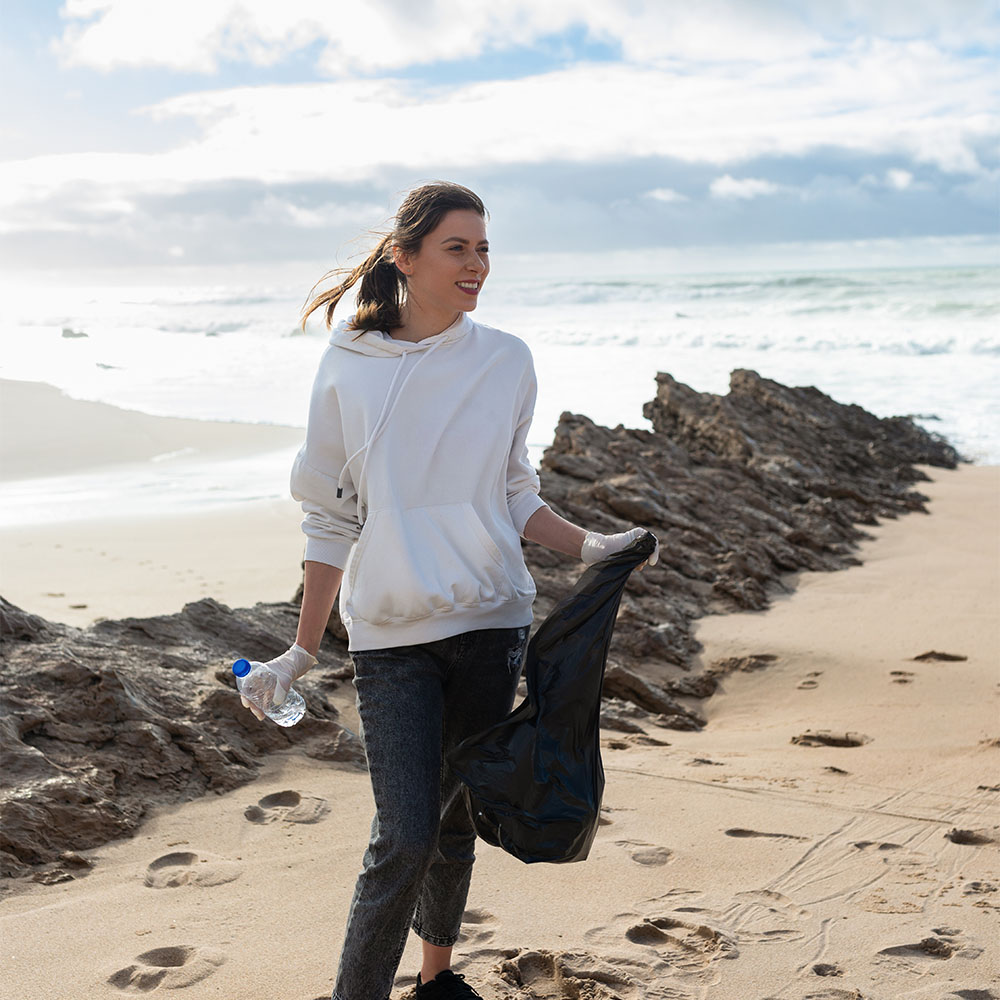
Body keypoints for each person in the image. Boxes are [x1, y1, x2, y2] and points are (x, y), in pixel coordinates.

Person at [241, 181, 658, 1000]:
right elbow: (329, 517)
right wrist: (300, 647)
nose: (477, 265)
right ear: (406, 258)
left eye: (484, 248)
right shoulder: (348, 369)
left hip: (489, 622)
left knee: (453, 818)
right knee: (402, 834)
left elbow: (512, 491)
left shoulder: (506, 360)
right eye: (457, 248)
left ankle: (437, 980)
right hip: (390, 634)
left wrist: (591, 546)